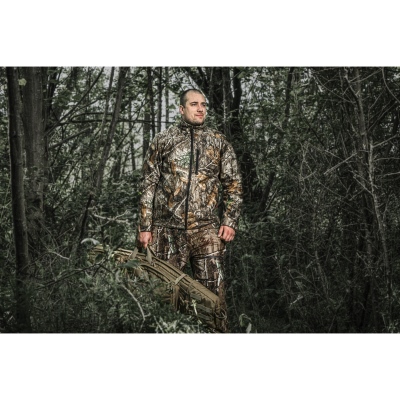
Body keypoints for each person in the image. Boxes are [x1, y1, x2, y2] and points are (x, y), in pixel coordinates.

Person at [138, 88, 243, 331]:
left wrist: (229, 220)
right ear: (181, 109)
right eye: (194, 104)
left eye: (203, 105)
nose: (200, 109)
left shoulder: (218, 142)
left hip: (206, 232)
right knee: (162, 297)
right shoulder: (163, 140)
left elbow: (233, 184)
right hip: (166, 231)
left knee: (213, 300)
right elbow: (148, 184)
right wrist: (145, 226)